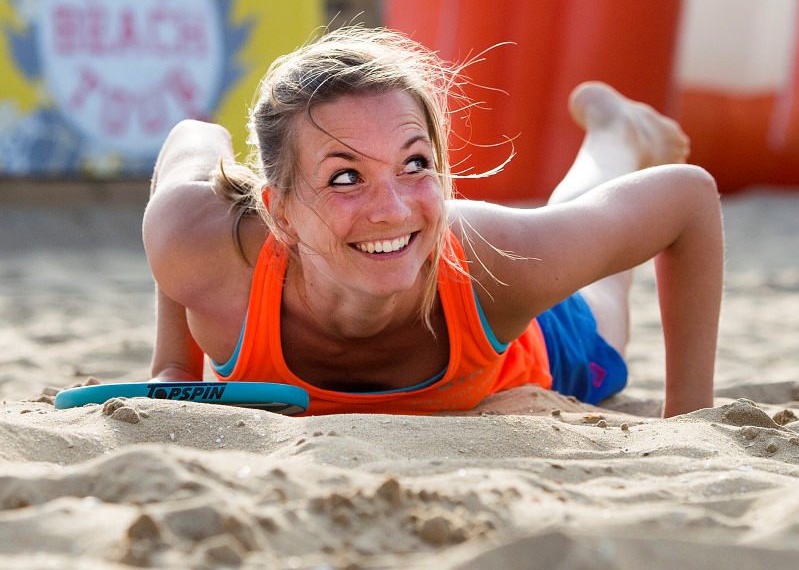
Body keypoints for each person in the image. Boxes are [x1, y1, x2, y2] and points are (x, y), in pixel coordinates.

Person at [142, 27, 723, 417]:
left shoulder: (494, 259)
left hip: (538, 336)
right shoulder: (205, 246)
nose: (392, 209)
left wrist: (691, 418)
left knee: (600, 285)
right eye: (345, 176)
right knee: (565, 226)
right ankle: (617, 134)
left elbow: (687, 199)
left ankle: (618, 137)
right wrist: (173, 363)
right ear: (278, 211)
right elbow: (192, 138)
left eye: (414, 164)